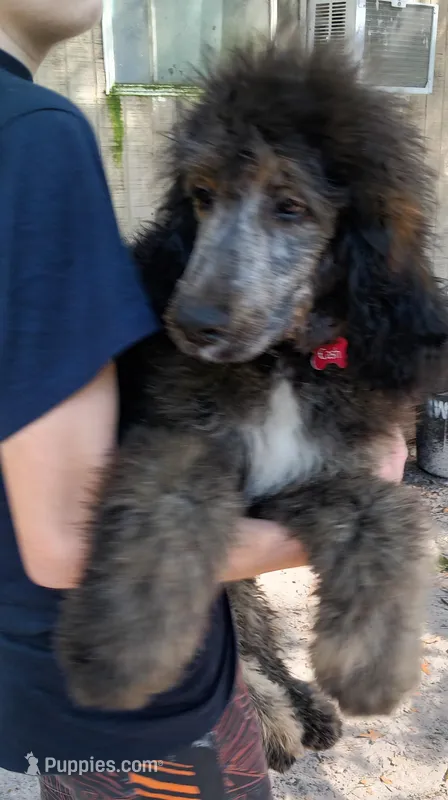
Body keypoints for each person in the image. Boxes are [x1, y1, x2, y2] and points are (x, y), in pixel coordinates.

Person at [0, 2, 408, 798]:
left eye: (288, 210)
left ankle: (268, 682)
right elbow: (66, 542)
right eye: (205, 198)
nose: (203, 293)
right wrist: (374, 495)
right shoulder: (33, 136)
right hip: (131, 714)